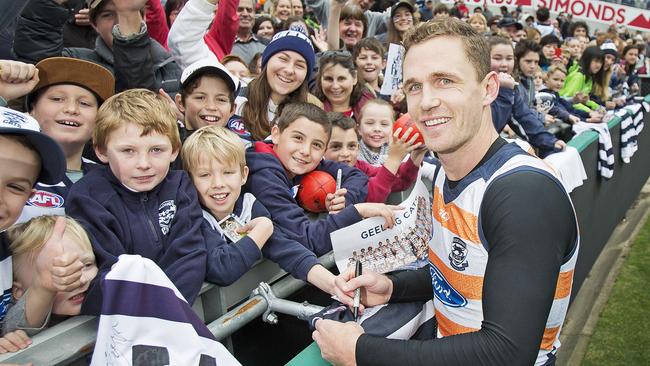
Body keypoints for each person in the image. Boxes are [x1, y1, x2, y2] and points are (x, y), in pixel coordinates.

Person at [313, 18, 579, 366]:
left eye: (445, 81)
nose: (426, 102)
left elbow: (508, 353)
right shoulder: (444, 173)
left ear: (489, 88)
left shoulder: (522, 192)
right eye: (414, 86)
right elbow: (461, 274)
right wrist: (393, 288)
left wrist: (359, 352)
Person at [66, 89, 207, 315]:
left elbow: (189, 256)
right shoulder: (88, 196)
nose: (144, 163)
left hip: (175, 314)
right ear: (101, 150)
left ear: (174, 151)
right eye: (128, 151)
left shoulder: (180, 185)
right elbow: (107, 272)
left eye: (156, 150)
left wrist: (168, 312)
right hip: (123, 325)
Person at [181, 125, 337, 292]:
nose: (218, 184)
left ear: (243, 175)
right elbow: (222, 269)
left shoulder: (249, 204)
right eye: (205, 175)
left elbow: (284, 248)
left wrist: (334, 285)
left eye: (227, 172)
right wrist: (263, 229)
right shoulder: (192, 216)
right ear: (190, 180)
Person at [245, 102, 377, 256]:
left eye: (316, 145)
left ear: (323, 151)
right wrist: (356, 211)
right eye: (298, 138)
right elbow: (309, 240)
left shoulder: (301, 162)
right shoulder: (263, 178)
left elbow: (356, 176)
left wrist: (342, 201)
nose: (305, 151)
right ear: (276, 134)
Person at [0, 93, 67, 352]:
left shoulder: (8, 248)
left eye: (15, 187)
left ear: (30, 197)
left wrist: (43, 285)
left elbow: (11, 331)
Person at [18, 57, 115, 223]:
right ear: (32, 109)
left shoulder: (115, 178)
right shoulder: (10, 167)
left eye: (84, 103)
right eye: (57, 99)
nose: (71, 109)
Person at [13, 0, 181, 95]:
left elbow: (137, 103)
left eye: (127, 13)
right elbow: (39, 60)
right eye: (108, 15)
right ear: (94, 24)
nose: (118, 22)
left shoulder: (174, 70)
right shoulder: (76, 62)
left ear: (143, 18)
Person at [4, 216, 97, 336]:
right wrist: (44, 289)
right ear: (18, 291)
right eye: (58, 272)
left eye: (87, 265)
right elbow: (15, 328)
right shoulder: (15, 322)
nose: (81, 279)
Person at [238, 28, 320, 141]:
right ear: (266, 61)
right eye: (283, 59)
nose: (289, 70)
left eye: (300, 65)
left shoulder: (308, 116)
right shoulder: (236, 94)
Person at [323, 111, 424, 203]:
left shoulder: (359, 166)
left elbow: (399, 181)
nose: (345, 153)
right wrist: (393, 159)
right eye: (336, 147)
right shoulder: (319, 178)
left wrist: (416, 155)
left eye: (351, 146)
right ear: (321, 149)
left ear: (358, 148)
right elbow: (372, 196)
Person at [174, 59, 243, 145]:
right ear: (180, 103)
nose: (211, 107)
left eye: (221, 100)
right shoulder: (166, 147)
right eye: (200, 98)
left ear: (232, 109)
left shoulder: (241, 150)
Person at [314, 51, 375, 120]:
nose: (335, 86)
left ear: (354, 78)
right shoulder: (311, 114)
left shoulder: (372, 110)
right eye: (329, 79)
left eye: (341, 79)